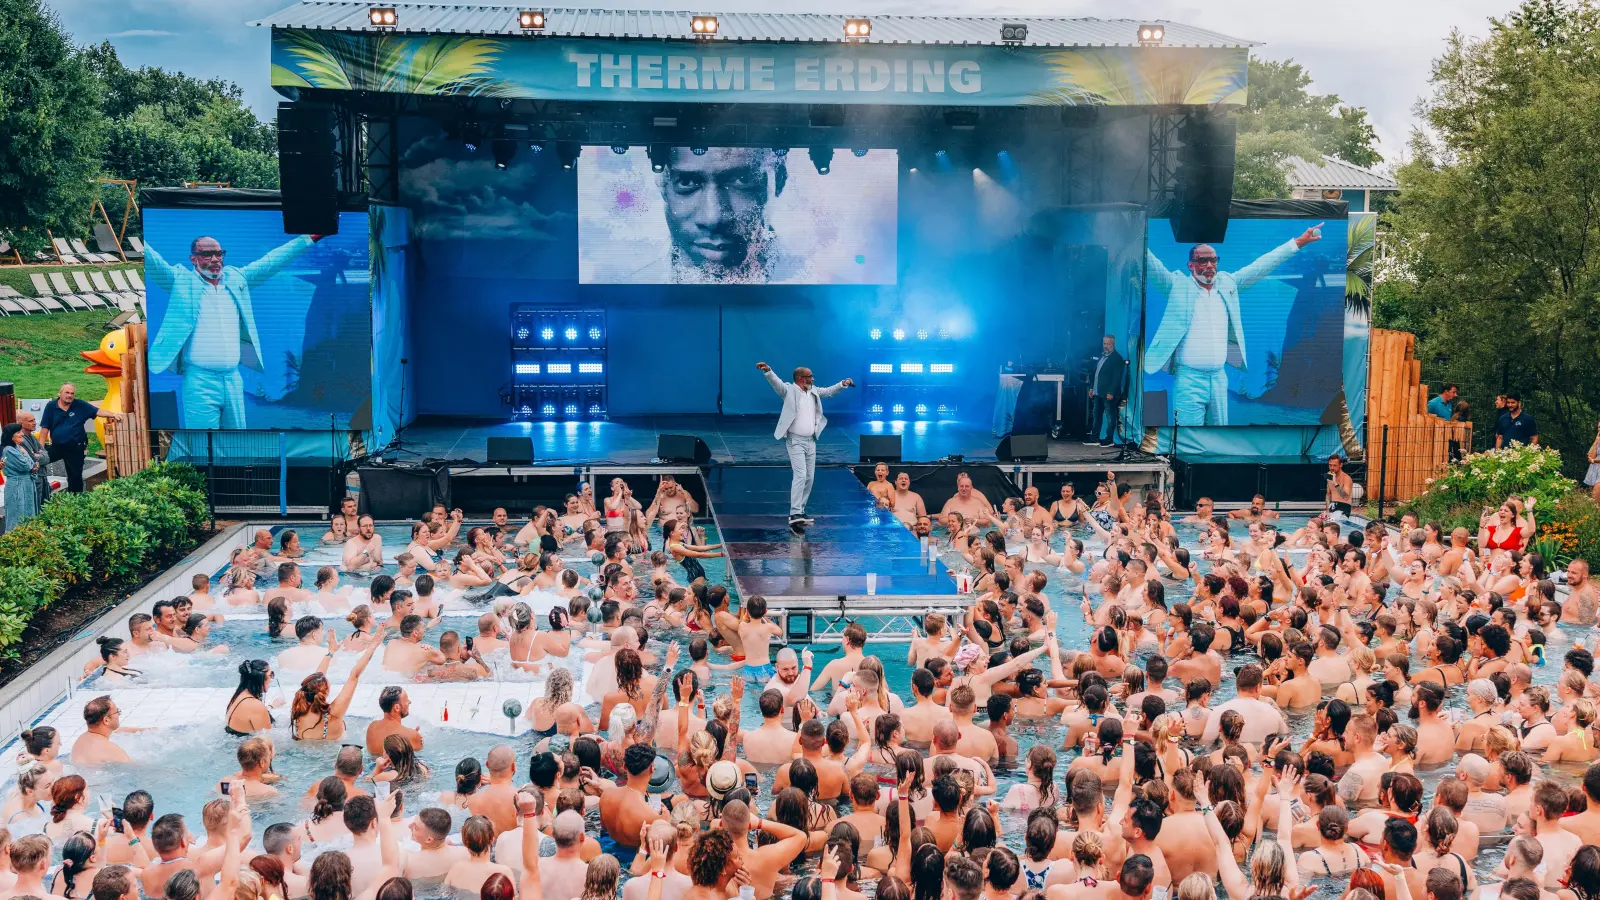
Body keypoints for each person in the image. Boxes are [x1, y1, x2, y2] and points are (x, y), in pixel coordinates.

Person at [1143, 224, 1324, 425]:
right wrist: (1136, 234)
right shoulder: (1177, 286)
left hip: (1218, 378)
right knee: (1188, 436)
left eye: (1214, 259)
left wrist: (1298, 242)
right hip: (1189, 379)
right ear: (1191, 265)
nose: (1210, 264)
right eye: (1203, 260)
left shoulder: (1228, 284)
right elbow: (1153, 266)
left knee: (1218, 435)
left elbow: (1261, 266)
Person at [145, 232, 321, 429]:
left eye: (219, 254)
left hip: (232, 378)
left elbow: (273, 261)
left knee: (236, 442)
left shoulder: (237, 279)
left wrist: (309, 238)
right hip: (199, 381)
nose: (215, 260)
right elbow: (153, 262)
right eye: (207, 255)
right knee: (204, 442)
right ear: (193, 259)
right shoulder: (181, 282)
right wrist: (133, 237)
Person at [756, 361, 853, 532]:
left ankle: (800, 510)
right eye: (810, 376)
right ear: (801, 378)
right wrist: (768, 371)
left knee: (809, 477)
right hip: (795, 440)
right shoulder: (789, 390)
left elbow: (829, 391)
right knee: (800, 475)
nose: (813, 379)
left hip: (811, 440)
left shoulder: (813, 391)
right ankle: (794, 513)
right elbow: (776, 383)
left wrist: (843, 384)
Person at [37, 383, 120, 494]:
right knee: (39, 461)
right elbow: (44, 428)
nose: (69, 395)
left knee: (75, 476)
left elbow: (98, 411)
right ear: (60, 393)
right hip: (57, 447)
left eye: (72, 393)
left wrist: (113, 415)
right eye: (67, 392)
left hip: (76, 447)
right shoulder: (51, 406)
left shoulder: (80, 405)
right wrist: (41, 448)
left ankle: (75, 499)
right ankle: (40, 490)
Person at [1087, 334, 1128, 447]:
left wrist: (1111, 391)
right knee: (1097, 414)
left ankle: (1109, 438)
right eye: (1104, 343)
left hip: (1108, 393)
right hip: (1097, 391)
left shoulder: (1117, 358)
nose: (1106, 346)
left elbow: (1117, 377)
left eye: (1108, 344)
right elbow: (1095, 373)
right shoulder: (1102, 356)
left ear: (1113, 344)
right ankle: (1094, 437)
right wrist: (1091, 388)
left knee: (1110, 416)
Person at [2, 424, 40, 533]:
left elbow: (32, 466)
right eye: (18, 432)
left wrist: (32, 466)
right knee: (17, 515)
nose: (21, 434)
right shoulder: (9, 450)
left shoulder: (17, 447)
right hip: (17, 486)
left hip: (26, 484)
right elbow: (27, 466)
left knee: (28, 514)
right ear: (11, 436)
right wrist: (28, 458)